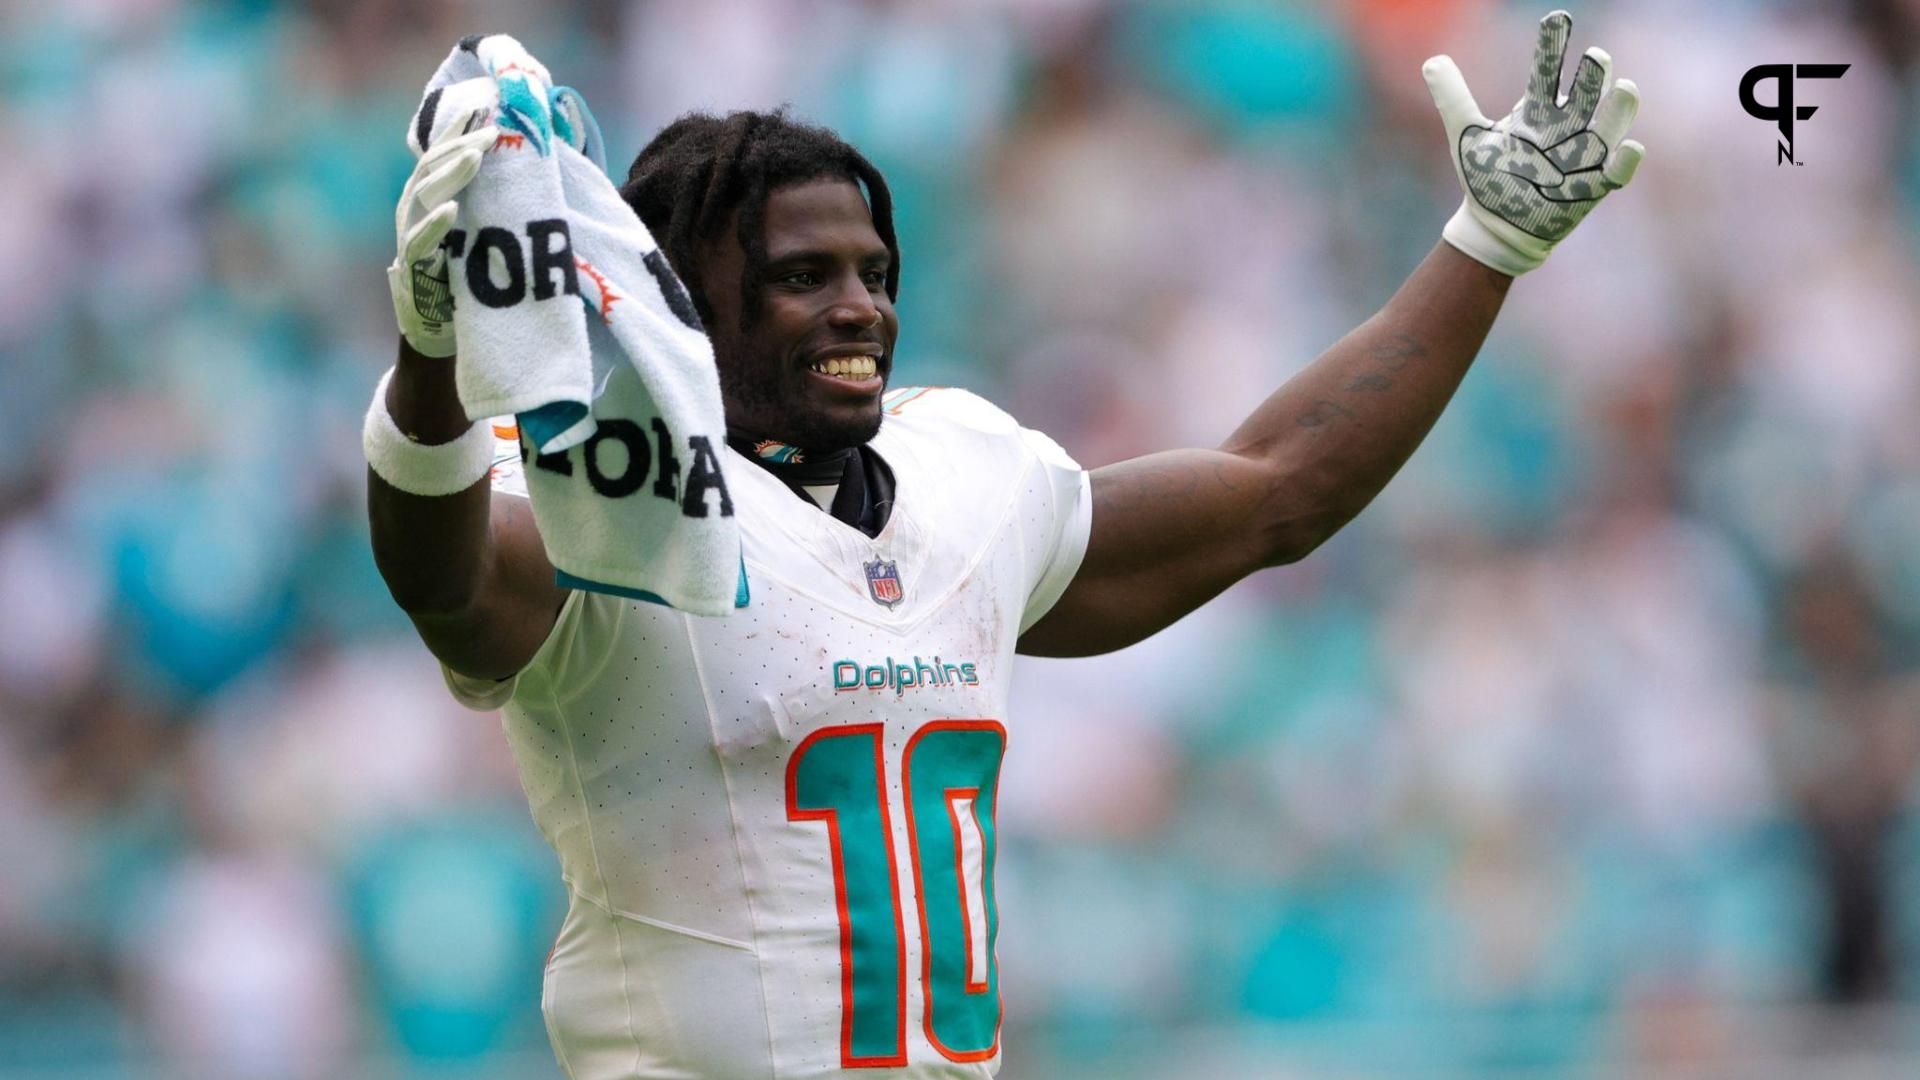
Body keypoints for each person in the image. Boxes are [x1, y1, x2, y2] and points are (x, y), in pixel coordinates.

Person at [366, 11, 1641, 1079]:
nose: (862, 302)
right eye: (806, 275)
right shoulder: (612, 507)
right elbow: (448, 576)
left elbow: (1275, 491)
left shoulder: (963, 474)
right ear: (681, 308)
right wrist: (431, 360)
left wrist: (1487, 246)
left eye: (875, 269)